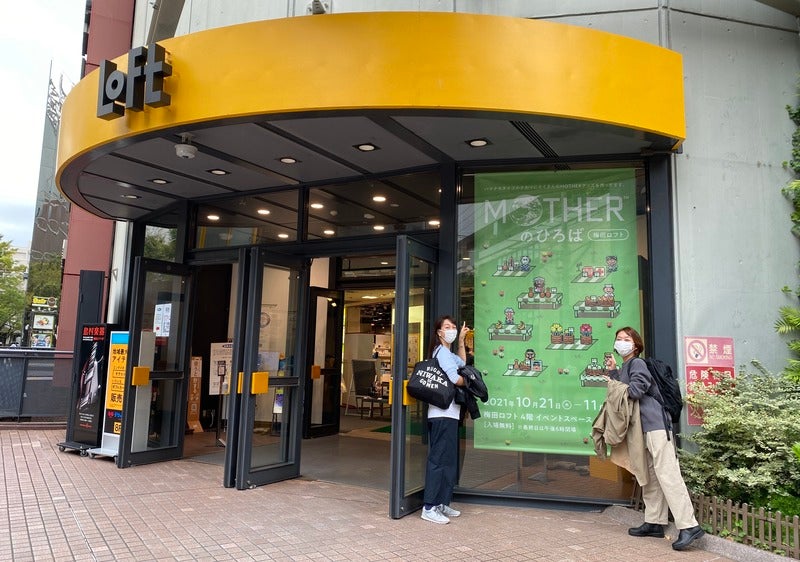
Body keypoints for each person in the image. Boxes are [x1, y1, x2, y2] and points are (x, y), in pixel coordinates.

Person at [604, 327, 705, 551]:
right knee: (649, 474)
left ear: (636, 345)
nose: (621, 342)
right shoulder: (626, 366)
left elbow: (636, 391)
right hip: (642, 428)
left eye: (626, 339)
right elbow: (625, 389)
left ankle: (689, 525)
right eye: (618, 339)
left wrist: (615, 383)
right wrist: (613, 373)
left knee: (667, 473)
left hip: (657, 425)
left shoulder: (638, 363)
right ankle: (655, 521)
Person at [420, 315, 469, 524]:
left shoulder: (447, 353)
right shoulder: (441, 352)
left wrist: (461, 341)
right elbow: (455, 378)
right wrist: (471, 381)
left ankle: (441, 502)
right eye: (447, 327)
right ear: (439, 332)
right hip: (441, 414)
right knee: (438, 461)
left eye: (453, 326)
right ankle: (429, 507)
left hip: (449, 414)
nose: (451, 329)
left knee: (447, 461)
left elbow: (462, 363)